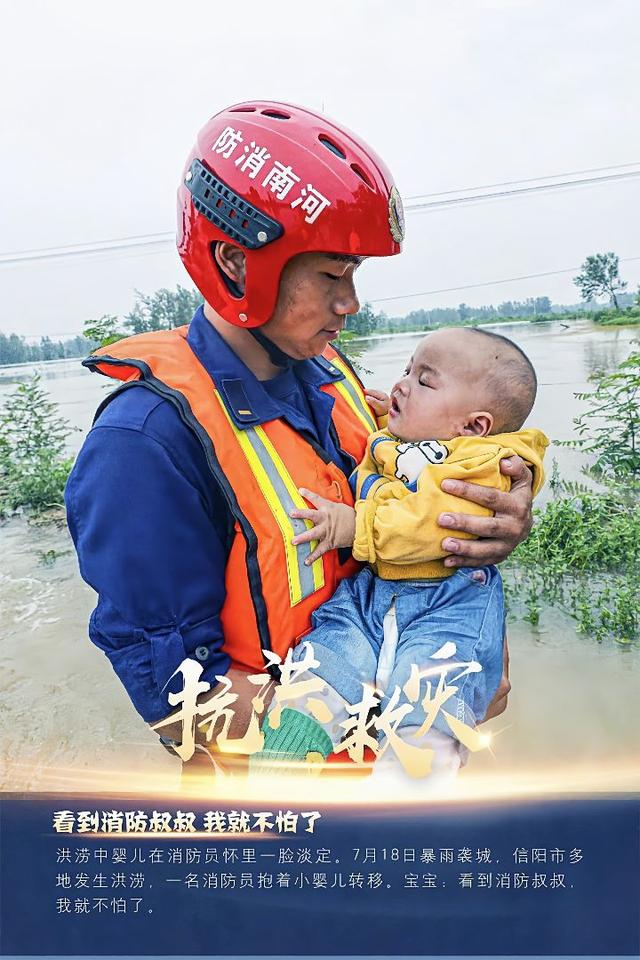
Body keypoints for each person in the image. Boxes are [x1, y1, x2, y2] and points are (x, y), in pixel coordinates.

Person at [65, 101, 533, 772]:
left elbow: (400, 501)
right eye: (331, 276)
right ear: (234, 263)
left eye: (355, 275)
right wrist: (411, 714)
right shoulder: (144, 445)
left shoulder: (329, 373)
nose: (352, 303)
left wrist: (484, 521)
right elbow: (178, 706)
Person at [255, 327, 548, 778]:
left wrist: (355, 525)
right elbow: (401, 461)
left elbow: (438, 521)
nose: (401, 384)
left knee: (429, 698)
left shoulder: (486, 465)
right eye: (407, 370)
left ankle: (407, 809)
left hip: (447, 601)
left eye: (424, 381)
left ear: (474, 426)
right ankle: (279, 763)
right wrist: (380, 417)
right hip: (371, 591)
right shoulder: (404, 437)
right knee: (327, 660)